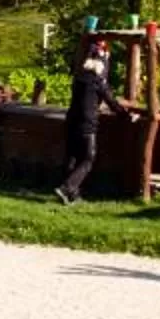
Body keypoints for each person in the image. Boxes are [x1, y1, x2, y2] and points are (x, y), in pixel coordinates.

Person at [54, 36, 111, 204]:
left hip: (72, 120)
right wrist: (124, 113)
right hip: (87, 123)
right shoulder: (98, 81)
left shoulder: (78, 79)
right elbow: (111, 100)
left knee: (72, 156)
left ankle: (72, 195)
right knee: (88, 158)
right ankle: (66, 188)